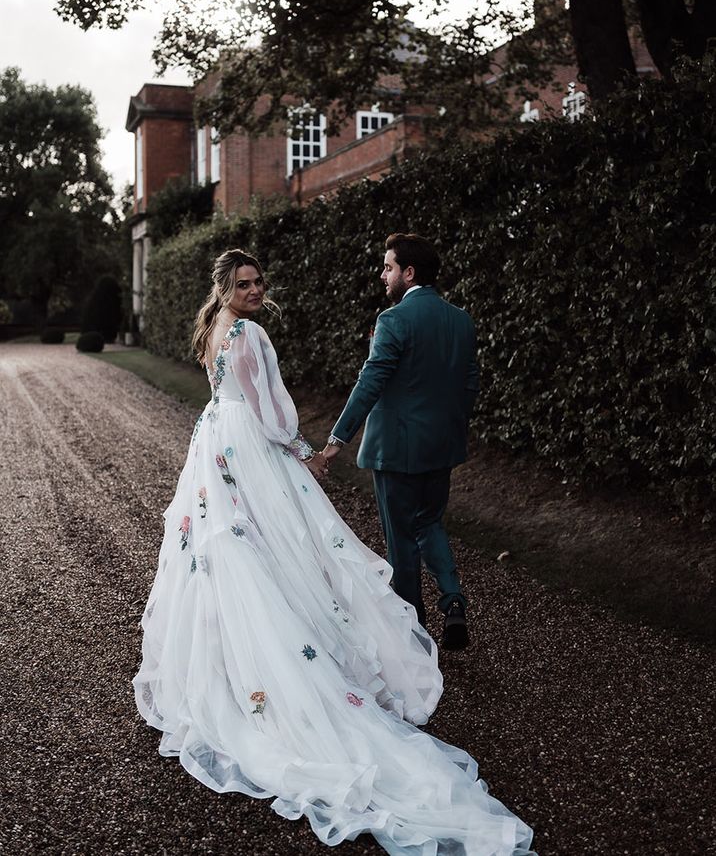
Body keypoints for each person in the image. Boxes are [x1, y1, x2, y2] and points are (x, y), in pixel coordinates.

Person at [133, 248, 534, 856]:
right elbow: (269, 408)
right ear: (227, 287)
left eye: (259, 281)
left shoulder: (214, 328)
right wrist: (300, 447)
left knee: (233, 550)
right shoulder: (251, 332)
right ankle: (304, 659)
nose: (256, 290)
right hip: (250, 447)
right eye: (244, 284)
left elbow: (229, 394)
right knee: (283, 546)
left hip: (216, 440)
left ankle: (229, 668)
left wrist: (309, 443)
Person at [322, 233, 478, 650]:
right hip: (441, 446)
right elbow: (469, 386)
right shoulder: (461, 320)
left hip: (396, 450)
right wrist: (450, 429)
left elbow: (371, 381)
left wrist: (338, 437)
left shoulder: (393, 320)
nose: (383, 274)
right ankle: (454, 600)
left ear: (408, 273)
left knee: (401, 539)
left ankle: (413, 633)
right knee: (429, 522)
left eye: (388, 267)